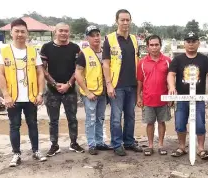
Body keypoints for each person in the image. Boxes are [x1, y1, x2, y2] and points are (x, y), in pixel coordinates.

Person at [0, 18, 47, 167]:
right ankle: (16, 154)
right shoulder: (4, 52)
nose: (20, 34)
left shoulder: (32, 51)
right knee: (14, 126)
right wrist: (6, 95)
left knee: (33, 124)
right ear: (11, 33)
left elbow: (40, 73)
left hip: (31, 97)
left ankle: (36, 151)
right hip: (13, 98)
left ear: (27, 33)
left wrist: (39, 93)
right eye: (16, 31)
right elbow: (0, 74)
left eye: (22, 31)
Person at [167, 31, 208, 160]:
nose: (191, 44)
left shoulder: (205, 59)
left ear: (198, 43)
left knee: (200, 124)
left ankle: (201, 149)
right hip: (182, 98)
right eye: (188, 42)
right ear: (184, 44)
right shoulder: (178, 60)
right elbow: (171, 74)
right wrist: (172, 87)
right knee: (180, 123)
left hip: (198, 98)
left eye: (194, 41)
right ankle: (182, 147)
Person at [40, 22, 85, 156]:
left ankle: (74, 143)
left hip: (70, 91)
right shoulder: (46, 47)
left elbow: (78, 70)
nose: (64, 33)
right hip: (52, 91)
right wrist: (55, 84)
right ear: (55, 31)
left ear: (69, 33)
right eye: (61, 31)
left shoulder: (75, 48)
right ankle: (54, 145)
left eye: (66, 31)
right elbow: (43, 69)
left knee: (72, 118)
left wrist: (68, 84)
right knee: (53, 120)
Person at [102, 9, 143, 156]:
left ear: (130, 21)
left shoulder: (133, 39)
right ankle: (117, 143)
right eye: (122, 20)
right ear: (116, 21)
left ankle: (129, 142)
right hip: (116, 86)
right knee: (116, 117)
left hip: (132, 85)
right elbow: (105, 63)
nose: (125, 23)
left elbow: (137, 61)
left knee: (131, 116)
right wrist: (109, 84)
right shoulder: (109, 39)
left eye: (127, 20)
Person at [75, 26, 113, 155]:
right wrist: (87, 92)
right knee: (91, 119)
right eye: (92, 35)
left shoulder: (105, 53)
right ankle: (91, 144)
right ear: (87, 38)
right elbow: (78, 74)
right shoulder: (84, 54)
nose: (96, 37)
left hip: (102, 92)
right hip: (90, 93)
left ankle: (99, 142)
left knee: (100, 118)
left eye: (97, 34)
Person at [136, 35, 172, 156]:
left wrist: (171, 97)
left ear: (160, 46)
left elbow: (171, 80)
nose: (154, 47)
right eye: (151, 45)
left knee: (162, 122)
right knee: (149, 123)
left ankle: (161, 145)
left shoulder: (167, 61)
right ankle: (150, 145)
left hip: (164, 98)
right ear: (147, 47)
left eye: (156, 45)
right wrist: (139, 97)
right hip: (148, 98)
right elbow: (140, 82)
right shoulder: (142, 63)